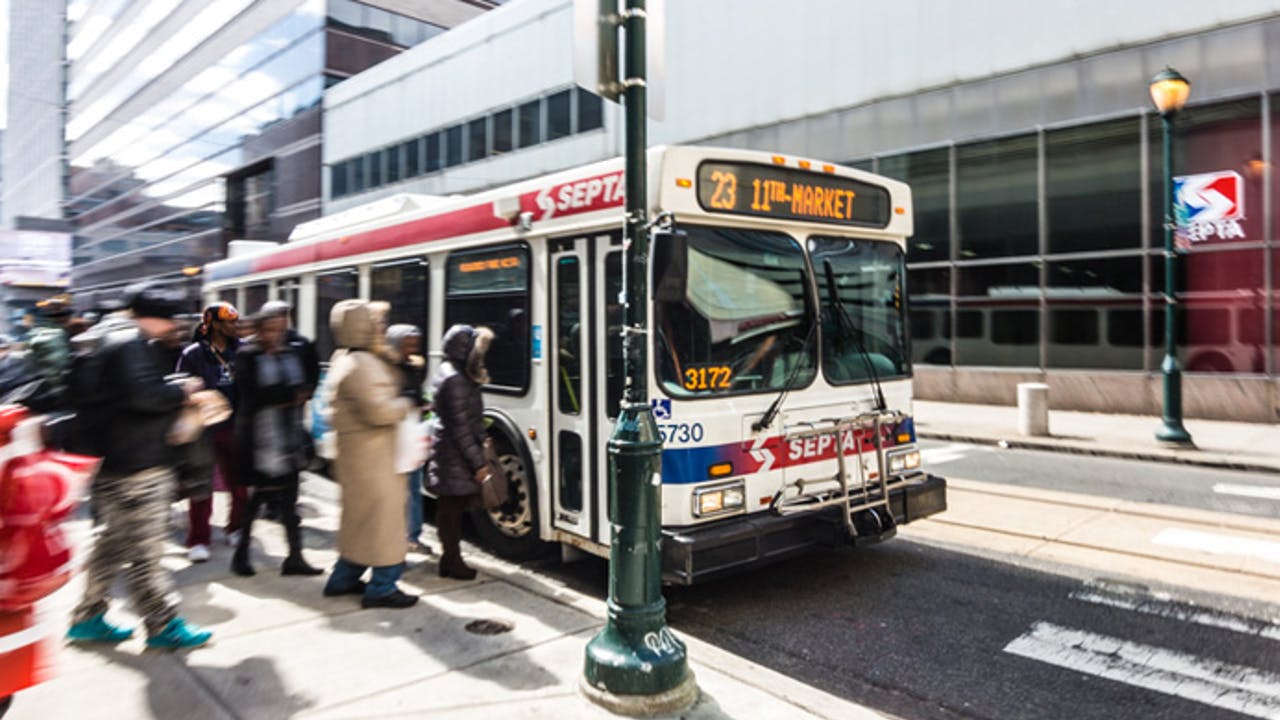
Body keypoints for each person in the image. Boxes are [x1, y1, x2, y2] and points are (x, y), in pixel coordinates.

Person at [65, 282, 213, 650]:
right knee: (147, 554)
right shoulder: (130, 344)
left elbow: (131, 391)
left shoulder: (109, 340)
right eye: (169, 319)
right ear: (152, 318)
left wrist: (171, 384)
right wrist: (183, 391)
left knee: (111, 547)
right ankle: (162, 625)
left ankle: (87, 617)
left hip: (116, 464)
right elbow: (143, 395)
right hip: (141, 469)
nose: (173, 326)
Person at [321, 300, 416, 608]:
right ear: (361, 327)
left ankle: (343, 579)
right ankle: (383, 587)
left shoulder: (346, 358)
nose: (383, 329)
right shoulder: (360, 364)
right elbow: (380, 411)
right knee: (385, 525)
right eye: (376, 324)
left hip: (361, 458)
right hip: (375, 460)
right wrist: (407, 404)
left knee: (360, 522)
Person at [229, 311, 322, 578]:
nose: (276, 334)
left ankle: (295, 557)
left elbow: (304, 384)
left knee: (291, 505)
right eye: (270, 329)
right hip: (261, 441)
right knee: (256, 500)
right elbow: (251, 395)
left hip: (289, 438)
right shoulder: (248, 355)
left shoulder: (290, 352)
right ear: (259, 330)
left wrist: (296, 393)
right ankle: (241, 554)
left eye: (281, 329)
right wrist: (290, 394)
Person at [176, 302, 247, 562]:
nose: (234, 326)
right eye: (229, 322)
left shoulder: (243, 350)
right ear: (214, 324)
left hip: (235, 426)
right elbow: (181, 387)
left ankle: (236, 527)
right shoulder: (193, 354)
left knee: (239, 484)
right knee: (201, 485)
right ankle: (198, 539)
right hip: (203, 429)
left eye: (236, 321)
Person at [427, 324, 492, 581]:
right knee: (451, 512)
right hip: (454, 456)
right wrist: (478, 463)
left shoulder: (450, 372)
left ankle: (449, 560)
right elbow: (461, 428)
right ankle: (452, 562)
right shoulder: (456, 379)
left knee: (450, 510)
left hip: (449, 453)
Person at [385, 324, 430, 553]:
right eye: (408, 343)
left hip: (411, 434)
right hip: (394, 437)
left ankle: (412, 535)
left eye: (415, 343)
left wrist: (422, 405)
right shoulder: (387, 370)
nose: (412, 348)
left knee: (413, 487)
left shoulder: (412, 368)